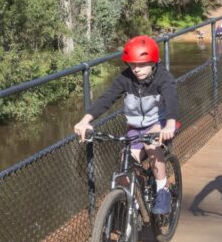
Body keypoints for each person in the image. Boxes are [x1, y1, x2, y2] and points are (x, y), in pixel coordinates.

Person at [74, 36, 180, 215]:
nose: (136, 69)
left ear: (154, 62)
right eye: (132, 65)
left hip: (160, 123)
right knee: (127, 161)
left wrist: (169, 125)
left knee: (151, 144)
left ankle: (163, 190)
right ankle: (134, 201)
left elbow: (172, 100)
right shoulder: (125, 78)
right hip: (136, 127)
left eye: (142, 64)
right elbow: (107, 99)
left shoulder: (163, 77)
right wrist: (86, 119)